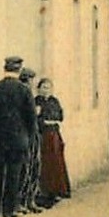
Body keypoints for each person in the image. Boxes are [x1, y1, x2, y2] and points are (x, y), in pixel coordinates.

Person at [0, 56, 36, 217]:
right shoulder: (24, 90)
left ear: (5, 69)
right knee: (14, 173)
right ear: (18, 70)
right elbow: (31, 117)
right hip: (18, 139)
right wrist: (30, 137)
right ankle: (9, 210)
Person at [35, 77, 71, 206]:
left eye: (48, 87)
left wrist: (52, 120)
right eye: (43, 87)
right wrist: (44, 121)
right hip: (42, 135)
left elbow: (60, 116)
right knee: (45, 162)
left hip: (54, 135)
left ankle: (58, 190)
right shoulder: (36, 102)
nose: (46, 90)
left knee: (56, 161)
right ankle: (45, 191)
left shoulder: (54, 101)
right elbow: (36, 119)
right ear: (38, 89)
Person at [17, 66, 44, 213]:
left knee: (34, 168)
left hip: (33, 135)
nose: (32, 84)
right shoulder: (22, 95)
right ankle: (22, 201)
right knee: (25, 169)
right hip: (26, 135)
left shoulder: (29, 95)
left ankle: (30, 200)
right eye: (31, 81)